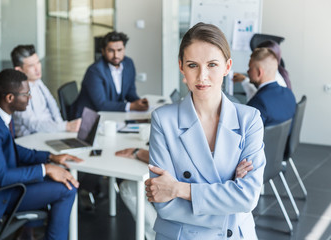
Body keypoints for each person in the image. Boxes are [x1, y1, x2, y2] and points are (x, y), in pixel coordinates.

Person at [144, 22, 266, 240]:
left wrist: (180, 189)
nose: (202, 76)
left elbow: (247, 198)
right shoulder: (163, 120)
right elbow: (165, 203)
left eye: (212, 65)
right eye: (193, 65)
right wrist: (230, 200)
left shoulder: (249, 120)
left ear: (227, 67)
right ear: (181, 66)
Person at [0, 69, 83, 240]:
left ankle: (28, 233)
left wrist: (49, 157)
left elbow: (11, 149)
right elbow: (0, 177)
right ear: (10, 98)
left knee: (58, 177)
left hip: (1, 184)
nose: (30, 97)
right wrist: (45, 169)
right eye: (26, 94)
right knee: (67, 189)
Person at [117, 146, 253, 240]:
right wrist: (230, 188)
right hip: (239, 224)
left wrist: (176, 189)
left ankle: (152, 234)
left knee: (130, 188)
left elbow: (242, 198)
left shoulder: (247, 118)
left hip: (226, 228)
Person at [72, 31, 148, 117]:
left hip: (111, 115)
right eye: (111, 51)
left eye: (119, 50)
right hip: (89, 118)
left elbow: (130, 93)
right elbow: (101, 104)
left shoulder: (128, 64)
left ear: (124, 49)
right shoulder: (95, 71)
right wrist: (131, 106)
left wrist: (140, 103)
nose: (116, 55)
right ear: (103, 51)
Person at [11, 44, 81, 137]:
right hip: (32, 139)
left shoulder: (37, 81)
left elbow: (52, 105)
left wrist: (62, 128)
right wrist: (65, 126)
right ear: (19, 70)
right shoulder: (17, 92)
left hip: (50, 132)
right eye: (32, 66)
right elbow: (33, 125)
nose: (38, 68)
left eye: (38, 62)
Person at [246, 47, 296, 127]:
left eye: (250, 68)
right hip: (283, 139)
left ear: (259, 72)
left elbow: (244, 135)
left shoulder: (258, 103)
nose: (247, 71)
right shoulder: (289, 93)